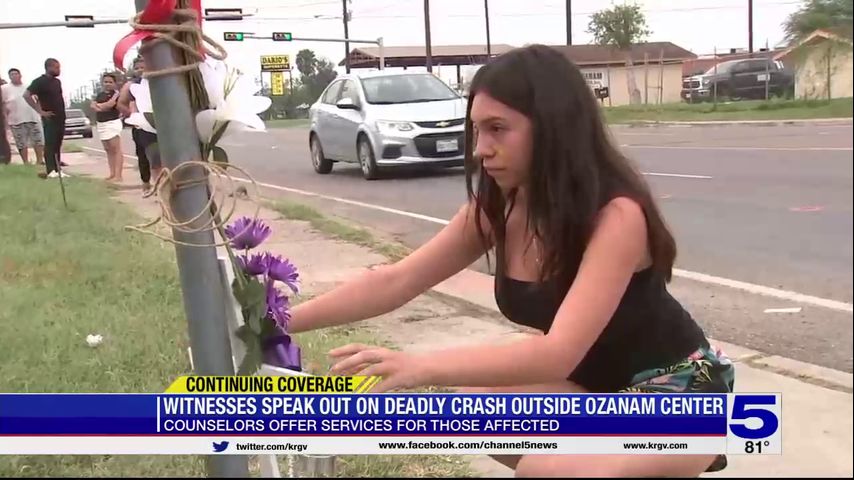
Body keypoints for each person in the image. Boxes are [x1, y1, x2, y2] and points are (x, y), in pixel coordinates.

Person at [285, 45, 734, 477]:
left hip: (679, 392)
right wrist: (276, 321)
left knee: (548, 469)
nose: (480, 148)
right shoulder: (499, 206)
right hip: (596, 387)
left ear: (553, 127)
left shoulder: (616, 216)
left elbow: (556, 355)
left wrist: (419, 366)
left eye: (498, 129)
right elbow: (395, 280)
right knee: (469, 410)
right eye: (477, 130)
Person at [118, 56, 159, 192]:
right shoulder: (131, 85)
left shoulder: (158, 80)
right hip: (141, 126)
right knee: (144, 156)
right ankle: (146, 183)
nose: (140, 70)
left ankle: (161, 185)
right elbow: (121, 104)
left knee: (160, 157)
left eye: (143, 67)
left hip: (159, 123)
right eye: (137, 68)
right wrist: (133, 115)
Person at [24, 58, 68, 179]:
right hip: (49, 117)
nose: (59, 70)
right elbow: (27, 95)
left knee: (57, 144)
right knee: (50, 143)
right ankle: (50, 170)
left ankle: (58, 169)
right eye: (56, 68)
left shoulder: (57, 82)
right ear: (49, 67)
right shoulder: (39, 82)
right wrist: (40, 111)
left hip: (60, 116)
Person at [2, 68, 45, 165]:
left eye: (16, 74)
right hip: (15, 120)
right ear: (9, 77)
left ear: (20, 75)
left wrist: (40, 112)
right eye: (12, 74)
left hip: (33, 118)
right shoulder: (4, 89)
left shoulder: (28, 87)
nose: (14, 76)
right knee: (21, 142)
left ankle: (40, 160)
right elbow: (3, 104)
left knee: (38, 140)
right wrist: (5, 119)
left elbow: (38, 100)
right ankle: (26, 162)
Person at [90, 73, 125, 182]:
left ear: (114, 83)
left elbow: (110, 105)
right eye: (106, 82)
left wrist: (100, 106)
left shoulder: (116, 94)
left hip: (112, 123)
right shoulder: (100, 95)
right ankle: (112, 173)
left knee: (116, 149)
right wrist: (100, 106)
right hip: (101, 124)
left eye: (110, 82)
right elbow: (93, 105)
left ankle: (118, 175)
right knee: (108, 150)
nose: (108, 84)